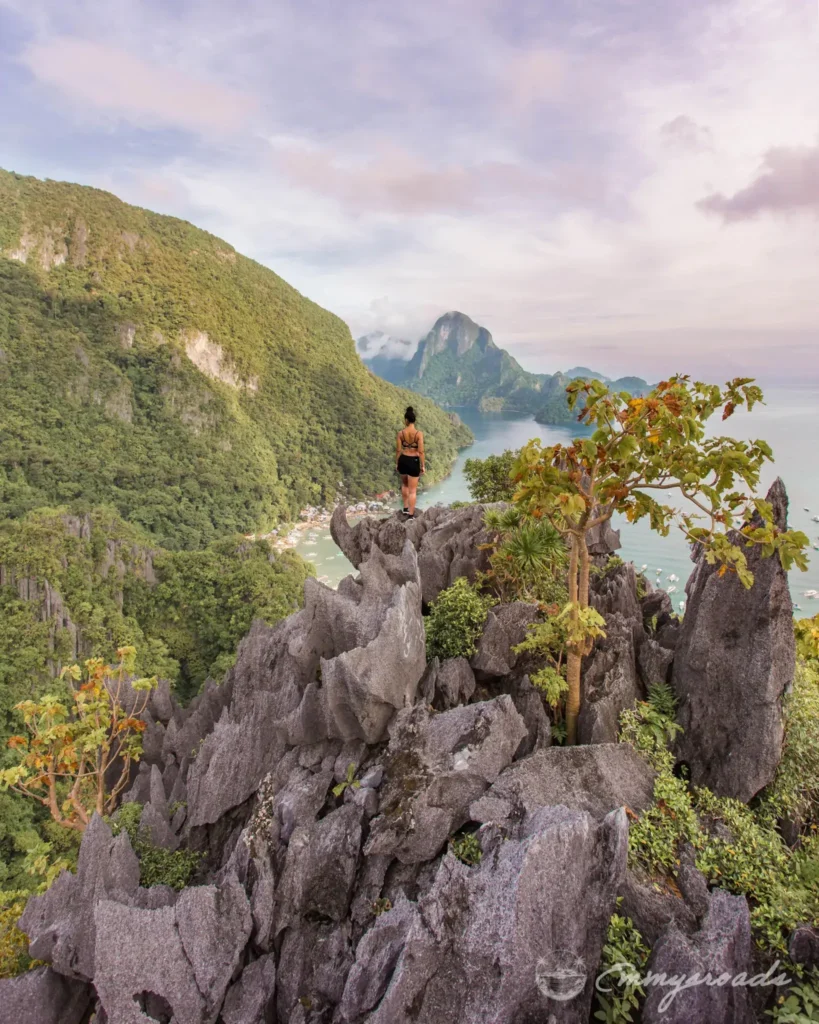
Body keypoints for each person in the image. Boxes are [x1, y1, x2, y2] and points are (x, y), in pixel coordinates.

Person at [396, 406, 424, 518]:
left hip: (403, 460)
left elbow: (398, 450)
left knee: (404, 485)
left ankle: (405, 508)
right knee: (413, 491)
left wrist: (397, 463)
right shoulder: (418, 434)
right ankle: (411, 515)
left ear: (406, 420)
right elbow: (421, 451)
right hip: (414, 461)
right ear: (414, 420)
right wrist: (423, 466)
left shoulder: (400, 433)